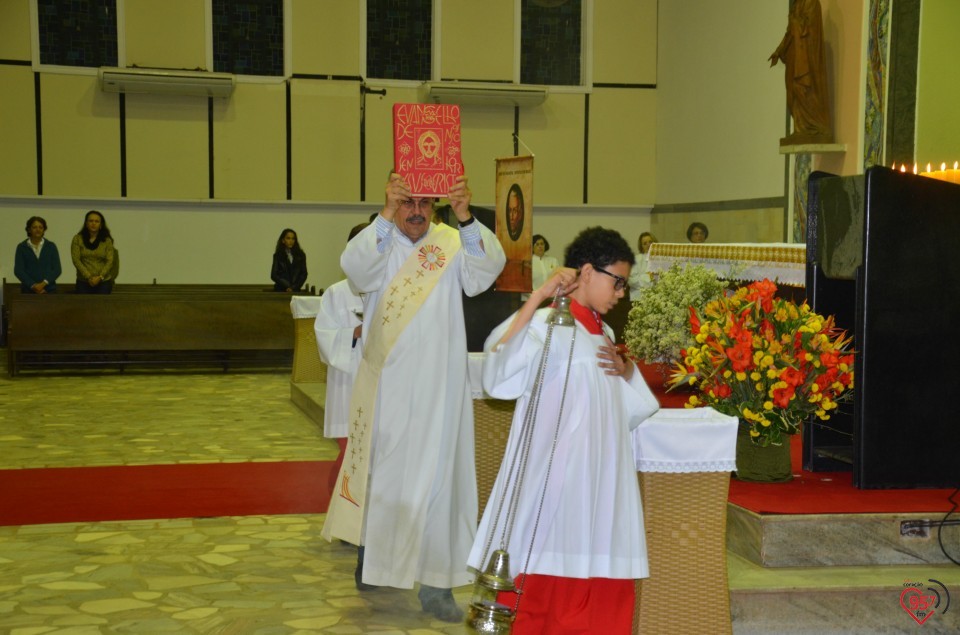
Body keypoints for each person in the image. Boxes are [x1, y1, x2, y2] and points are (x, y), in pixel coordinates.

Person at [321, 172, 506, 622]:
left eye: (425, 202)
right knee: (386, 476)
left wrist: (465, 216)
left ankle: (438, 585)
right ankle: (376, 557)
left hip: (442, 387)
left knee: (443, 483)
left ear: (437, 205)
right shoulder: (381, 243)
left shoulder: (450, 240)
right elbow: (355, 268)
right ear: (395, 202)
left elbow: (484, 275)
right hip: (392, 388)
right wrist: (385, 213)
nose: (417, 211)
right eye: (408, 203)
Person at [468, 226, 660, 634]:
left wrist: (627, 373)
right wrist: (539, 297)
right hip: (559, 484)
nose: (622, 293)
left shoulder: (604, 334)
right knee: (549, 577)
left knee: (598, 576)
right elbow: (497, 375)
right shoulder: (546, 324)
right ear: (587, 272)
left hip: (601, 484)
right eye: (618, 281)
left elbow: (623, 412)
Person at [313, 223, 369, 497]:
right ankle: (344, 514)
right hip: (348, 380)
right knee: (351, 451)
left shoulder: (391, 288)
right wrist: (355, 332)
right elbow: (324, 336)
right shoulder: (337, 293)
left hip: (381, 381)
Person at [768, 0, 833, 145]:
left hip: (804, 56)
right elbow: (789, 33)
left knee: (802, 88)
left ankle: (812, 126)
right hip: (794, 54)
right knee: (791, 91)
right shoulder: (796, 5)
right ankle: (800, 127)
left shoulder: (811, 3)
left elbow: (809, 29)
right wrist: (778, 51)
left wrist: (795, 21)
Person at [71, 210, 116, 294]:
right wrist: (88, 277)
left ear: (101, 224)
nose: (93, 223)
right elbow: (76, 260)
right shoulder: (77, 239)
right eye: (91, 221)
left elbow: (110, 261)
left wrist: (100, 277)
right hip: (83, 281)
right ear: (86, 223)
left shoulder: (107, 241)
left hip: (103, 282)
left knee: (103, 306)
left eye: (97, 221)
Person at [14, 216, 62, 294]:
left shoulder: (51, 246)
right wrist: (33, 285)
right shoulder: (22, 247)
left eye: (41, 227)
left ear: (44, 230)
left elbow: (57, 270)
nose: (38, 230)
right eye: (34, 227)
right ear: (29, 229)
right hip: (28, 291)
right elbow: (18, 270)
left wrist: (43, 284)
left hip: (49, 290)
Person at [628, 231, 657, 298]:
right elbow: (632, 281)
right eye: (645, 243)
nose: (648, 245)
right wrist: (649, 278)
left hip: (657, 297)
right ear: (641, 246)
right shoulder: (636, 259)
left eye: (650, 242)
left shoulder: (661, 260)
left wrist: (643, 278)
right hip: (639, 297)